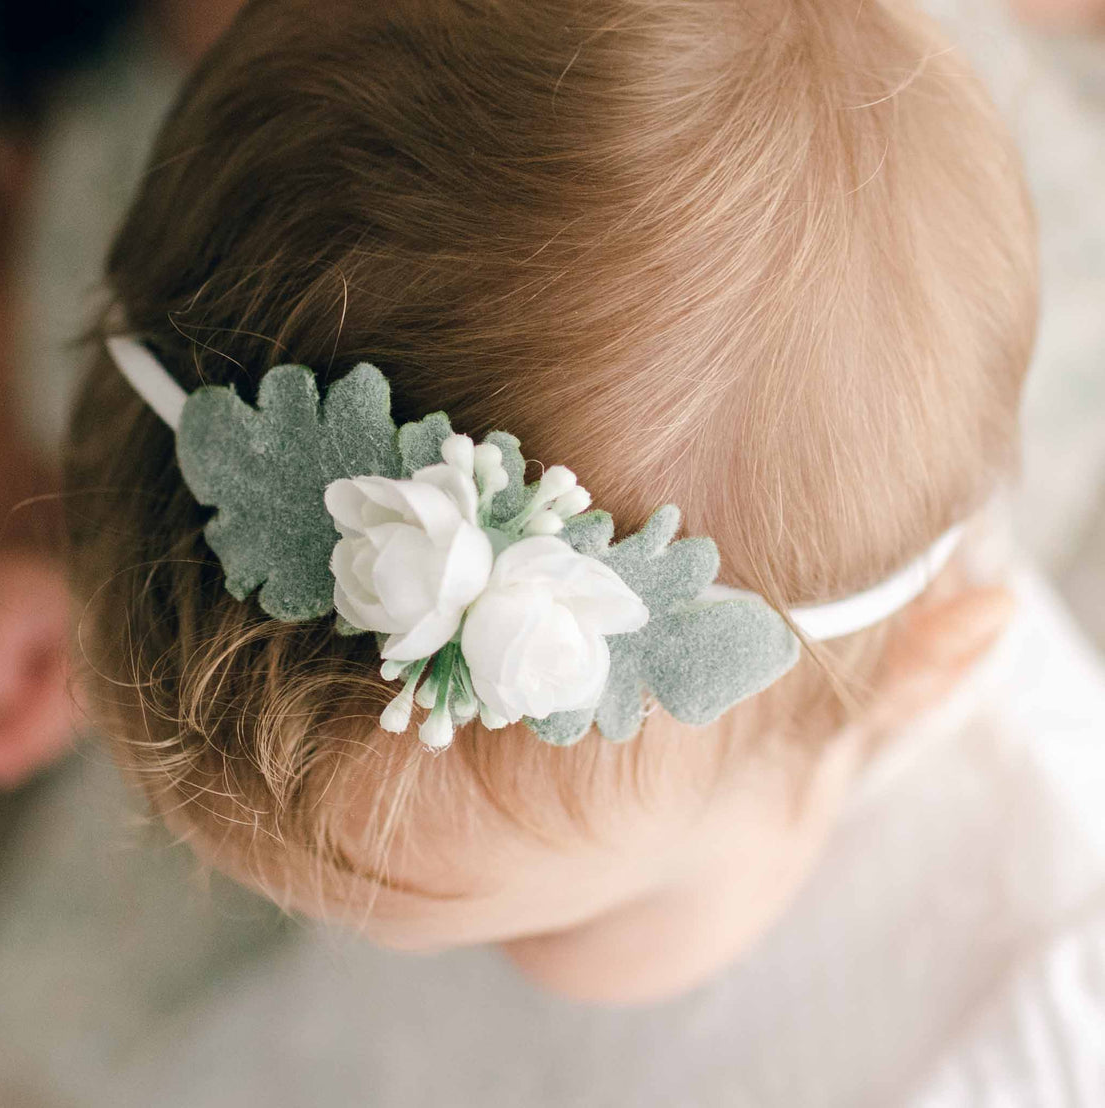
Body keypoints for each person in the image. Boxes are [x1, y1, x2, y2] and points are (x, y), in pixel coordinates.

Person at [63, 0, 1089, 1048]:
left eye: (550, 931)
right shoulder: (676, 828)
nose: (381, 948)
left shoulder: (1008, 1010)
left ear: (917, 669)